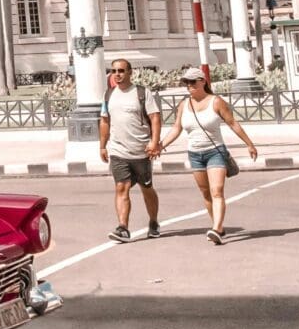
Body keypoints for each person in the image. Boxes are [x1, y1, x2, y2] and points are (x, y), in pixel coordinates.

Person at [158, 65, 259, 246]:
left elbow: (233, 123)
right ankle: (217, 226)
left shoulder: (216, 101)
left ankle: (217, 228)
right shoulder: (184, 105)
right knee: (206, 193)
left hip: (215, 152)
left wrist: (249, 144)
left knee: (216, 191)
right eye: (186, 83)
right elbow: (176, 128)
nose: (189, 86)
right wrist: (160, 146)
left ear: (203, 81)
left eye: (192, 82)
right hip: (195, 154)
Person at [96, 60, 162, 242]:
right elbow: (104, 120)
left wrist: (154, 142)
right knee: (121, 187)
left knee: (146, 188)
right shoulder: (109, 94)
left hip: (141, 151)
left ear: (130, 72)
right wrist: (102, 145)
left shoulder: (141, 93)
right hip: (118, 150)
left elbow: (155, 118)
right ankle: (123, 227)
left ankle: (154, 222)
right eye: (114, 71)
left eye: (121, 71)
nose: (117, 74)